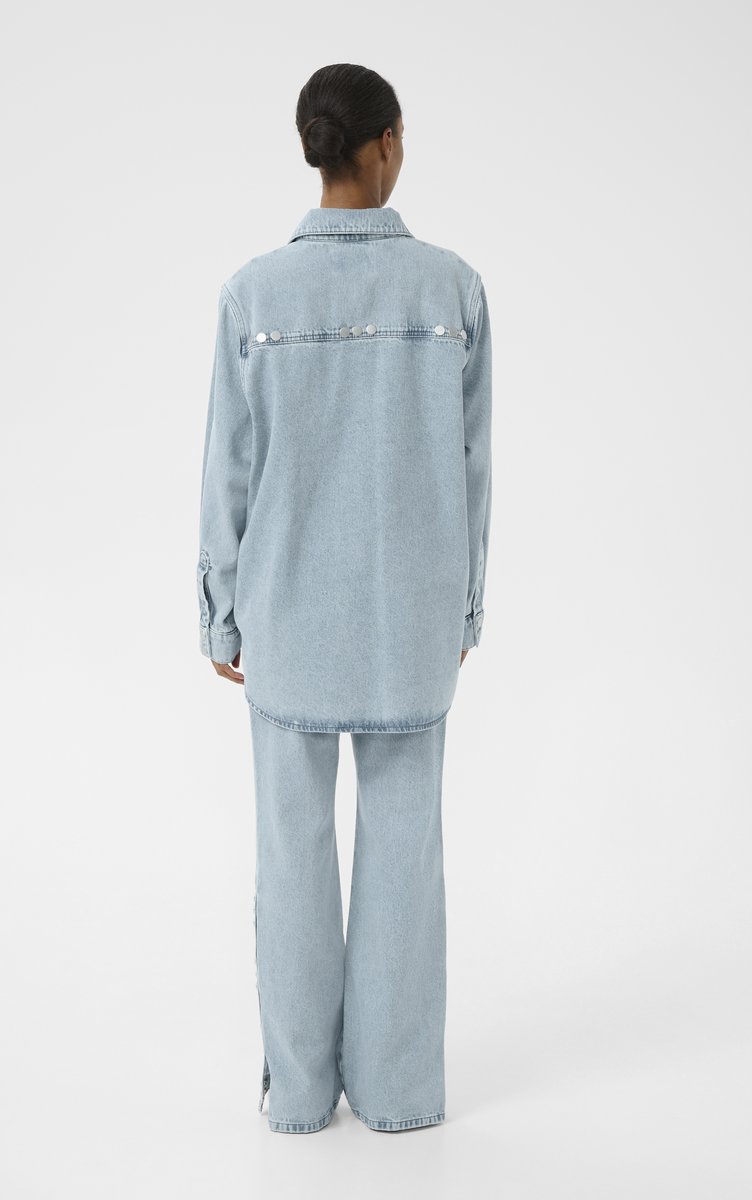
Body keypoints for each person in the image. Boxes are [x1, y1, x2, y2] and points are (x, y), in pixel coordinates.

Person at [196, 62, 493, 1133]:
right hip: (411, 619)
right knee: (405, 852)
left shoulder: (253, 294)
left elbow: (227, 469)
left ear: (315, 149)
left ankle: (298, 1096)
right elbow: (472, 466)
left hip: (284, 616)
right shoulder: (451, 290)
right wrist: (464, 607)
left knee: (291, 856)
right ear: (386, 143)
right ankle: (400, 1093)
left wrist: (221, 610)